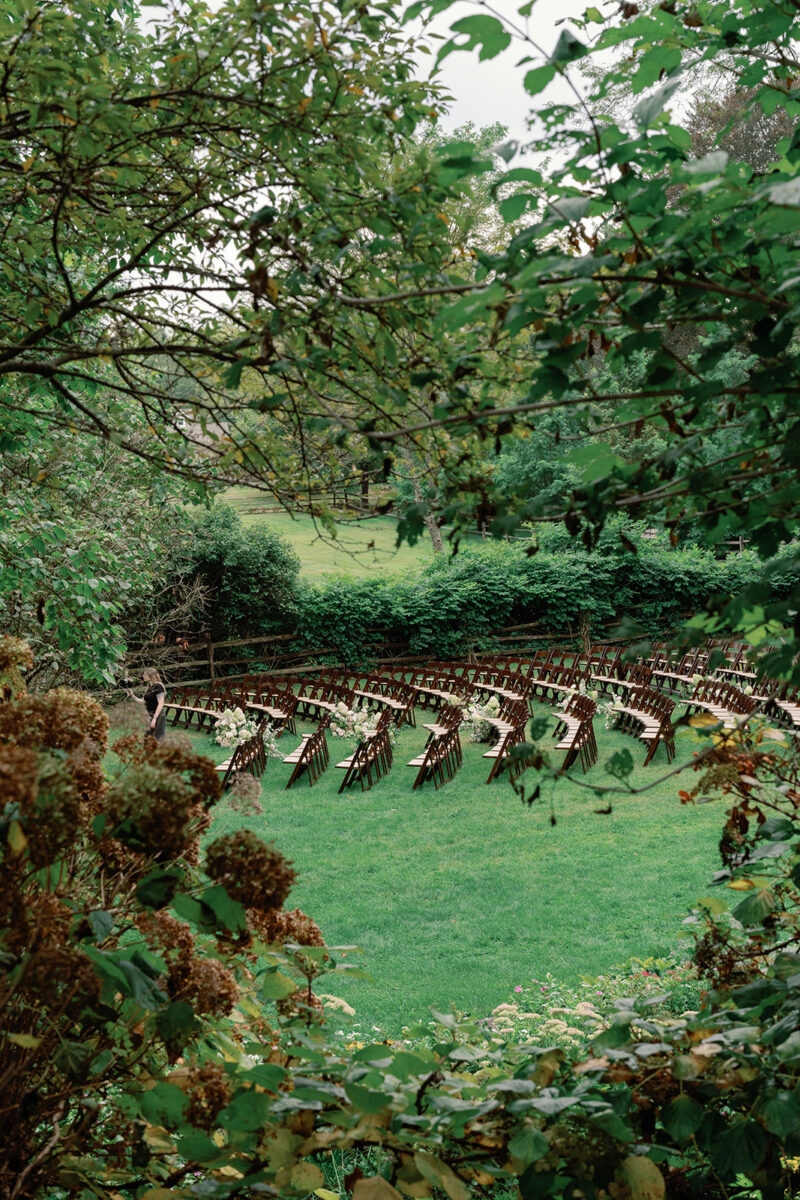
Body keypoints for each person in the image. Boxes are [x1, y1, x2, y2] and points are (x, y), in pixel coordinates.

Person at [127, 668, 167, 742]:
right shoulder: (149, 688)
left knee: (157, 741)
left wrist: (154, 719)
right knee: (147, 739)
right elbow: (143, 702)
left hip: (158, 716)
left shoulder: (158, 686)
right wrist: (132, 695)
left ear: (150, 676)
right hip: (149, 715)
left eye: (145, 675)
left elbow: (161, 703)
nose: (143, 676)